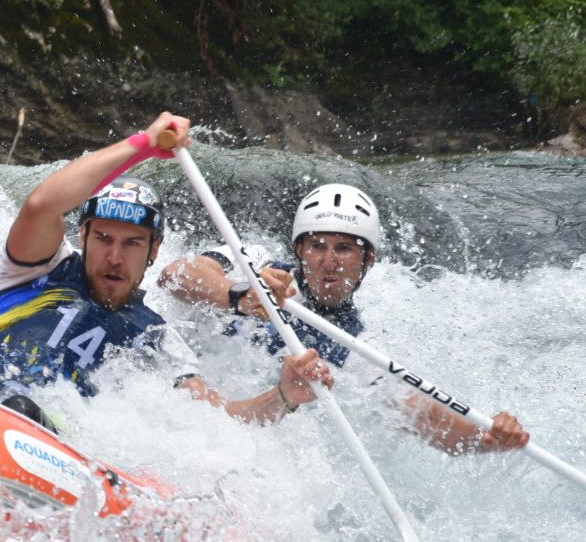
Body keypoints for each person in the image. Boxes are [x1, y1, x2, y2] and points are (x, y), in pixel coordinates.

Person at [0, 112, 335, 428]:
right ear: (83, 235)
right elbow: (42, 203)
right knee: (18, 408)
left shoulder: (154, 337)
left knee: (29, 414)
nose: (114, 256)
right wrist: (143, 145)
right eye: (104, 238)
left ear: (154, 251)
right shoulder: (37, 270)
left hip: (51, 446)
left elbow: (220, 422)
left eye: (132, 243)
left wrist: (285, 396)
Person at [159, 182, 531, 454]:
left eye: (344, 249)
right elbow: (175, 275)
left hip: (235, 430)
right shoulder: (254, 262)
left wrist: (488, 437)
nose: (328, 261)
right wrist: (239, 294)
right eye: (317, 246)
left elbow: (426, 417)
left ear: (367, 260)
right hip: (169, 385)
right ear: (300, 249)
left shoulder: (357, 351)